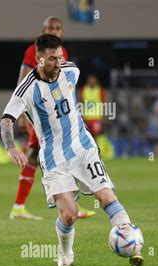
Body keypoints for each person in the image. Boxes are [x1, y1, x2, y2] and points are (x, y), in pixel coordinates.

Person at [0, 34, 144, 266]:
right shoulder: (25, 90)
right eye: (51, 59)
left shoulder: (71, 71)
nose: (58, 64)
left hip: (83, 148)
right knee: (69, 214)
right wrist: (11, 146)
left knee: (106, 196)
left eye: (59, 57)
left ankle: (133, 246)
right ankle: (65, 254)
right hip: (53, 157)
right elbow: (6, 120)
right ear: (38, 58)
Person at [9, 16, 95, 220]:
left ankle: (21, 207)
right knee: (48, 152)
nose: (55, 31)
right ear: (43, 30)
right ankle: (22, 206)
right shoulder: (34, 51)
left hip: (57, 114)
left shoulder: (61, 52)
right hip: (41, 114)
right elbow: (23, 79)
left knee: (37, 154)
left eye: (58, 28)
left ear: (62, 32)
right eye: (50, 28)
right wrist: (21, 113)